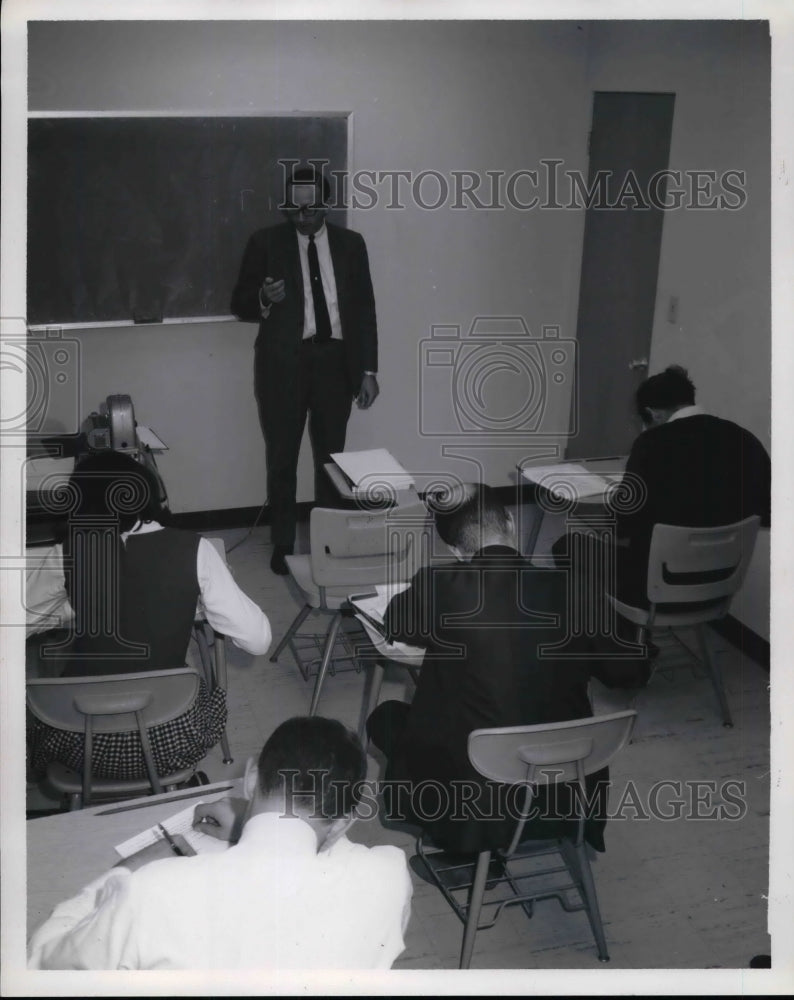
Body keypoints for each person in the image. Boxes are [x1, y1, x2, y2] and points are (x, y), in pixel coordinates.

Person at [366, 484, 642, 860]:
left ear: (454, 551)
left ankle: (459, 845)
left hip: (477, 799)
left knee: (385, 719)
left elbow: (396, 621)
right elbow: (628, 670)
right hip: (564, 788)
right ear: (510, 523)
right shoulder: (575, 589)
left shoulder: (441, 585)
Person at [28, 716, 413, 970]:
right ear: (345, 822)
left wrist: (119, 877)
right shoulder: (390, 874)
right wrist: (251, 823)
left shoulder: (149, 893)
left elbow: (45, 961)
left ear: (249, 778)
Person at [26, 450, 272, 781]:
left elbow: (19, 622)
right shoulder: (196, 549)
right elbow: (258, 642)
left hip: (79, 742)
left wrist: (73, 607)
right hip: (170, 738)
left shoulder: (67, 551)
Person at [231, 164, 380, 575]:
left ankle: (328, 541)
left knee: (331, 460)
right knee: (282, 457)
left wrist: (368, 369)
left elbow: (364, 309)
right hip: (283, 365)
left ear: (326, 205)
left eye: (310, 210)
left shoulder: (352, 245)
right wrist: (262, 296)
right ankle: (283, 542)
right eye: (294, 211)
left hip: (336, 363)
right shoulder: (265, 242)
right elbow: (240, 303)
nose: (302, 218)